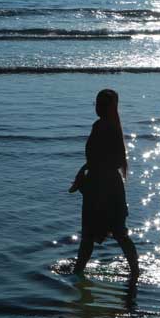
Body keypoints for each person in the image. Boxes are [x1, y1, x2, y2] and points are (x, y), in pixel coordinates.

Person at [69, 89, 139, 282]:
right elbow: (96, 159)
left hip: (105, 187)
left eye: (102, 104)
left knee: (114, 232)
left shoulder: (107, 127)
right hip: (99, 185)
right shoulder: (102, 126)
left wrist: (88, 174)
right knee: (95, 234)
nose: (98, 108)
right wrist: (83, 172)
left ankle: (134, 271)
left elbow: (112, 161)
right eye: (97, 104)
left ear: (110, 107)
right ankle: (80, 270)